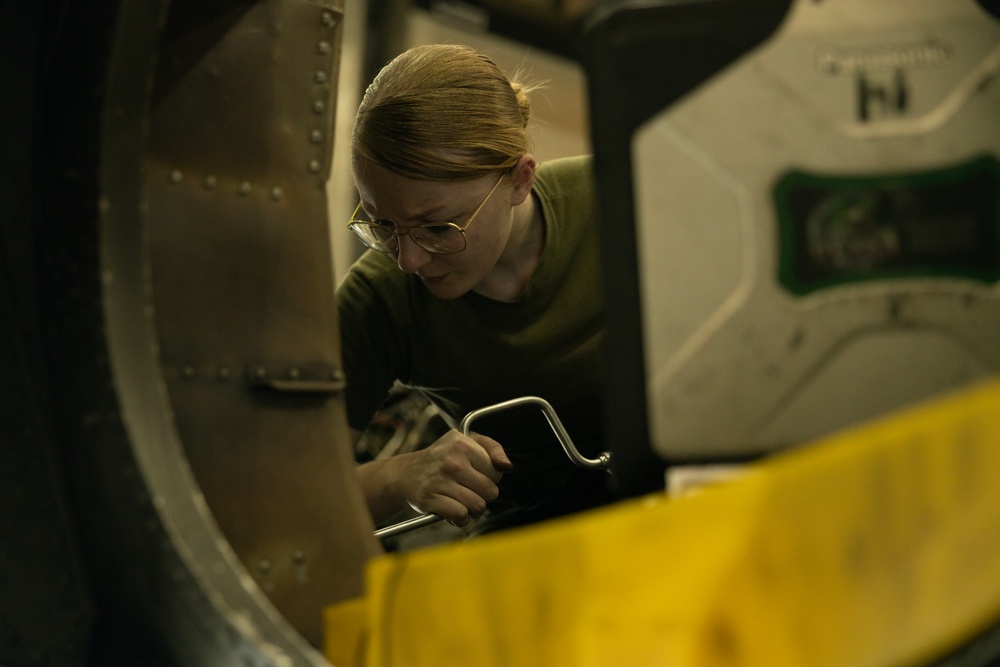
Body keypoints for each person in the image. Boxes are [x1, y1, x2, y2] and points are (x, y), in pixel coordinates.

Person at [337, 43, 613, 536]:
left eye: (438, 228)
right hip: (529, 543)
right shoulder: (379, 300)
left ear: (519, 180)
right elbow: (285, 501)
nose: (409, 260)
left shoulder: (617, 198)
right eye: (381, 226)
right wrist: (394, 476)